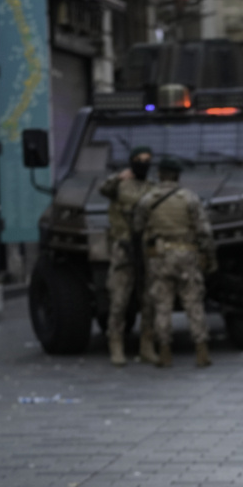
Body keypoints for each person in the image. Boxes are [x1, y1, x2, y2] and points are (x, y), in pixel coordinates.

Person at [134, 156, 215, 368]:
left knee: (162, 305)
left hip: (159, 259)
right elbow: (204, 232)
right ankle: (201, 351)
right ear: (177, 176)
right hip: (187, 256)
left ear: (159, 175)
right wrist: (209, 256)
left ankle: (164, 352)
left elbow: (137, 227)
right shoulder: (189, 198)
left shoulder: (147, 199)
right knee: (193, 303)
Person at [100, 147, 158, 366]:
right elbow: (103, 189)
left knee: (148, 300)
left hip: (145, 248)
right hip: (124, 248)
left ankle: (147, 345)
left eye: (147, 160)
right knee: (119, 299)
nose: (144, 164)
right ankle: (116, 344)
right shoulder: (120, 186)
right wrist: (118, 177)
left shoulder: (153, 188)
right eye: (139, 160)